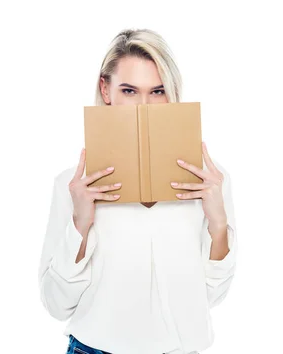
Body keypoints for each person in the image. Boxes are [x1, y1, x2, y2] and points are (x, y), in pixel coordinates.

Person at [38, 29, 237, 354]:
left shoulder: (209, 182)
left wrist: (218, 225)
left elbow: (212, 297)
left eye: (157, 91)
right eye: (129, 90)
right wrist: (80, 226)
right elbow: (55, 305)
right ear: (106, 89)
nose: (144, 106)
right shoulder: (73, 186)